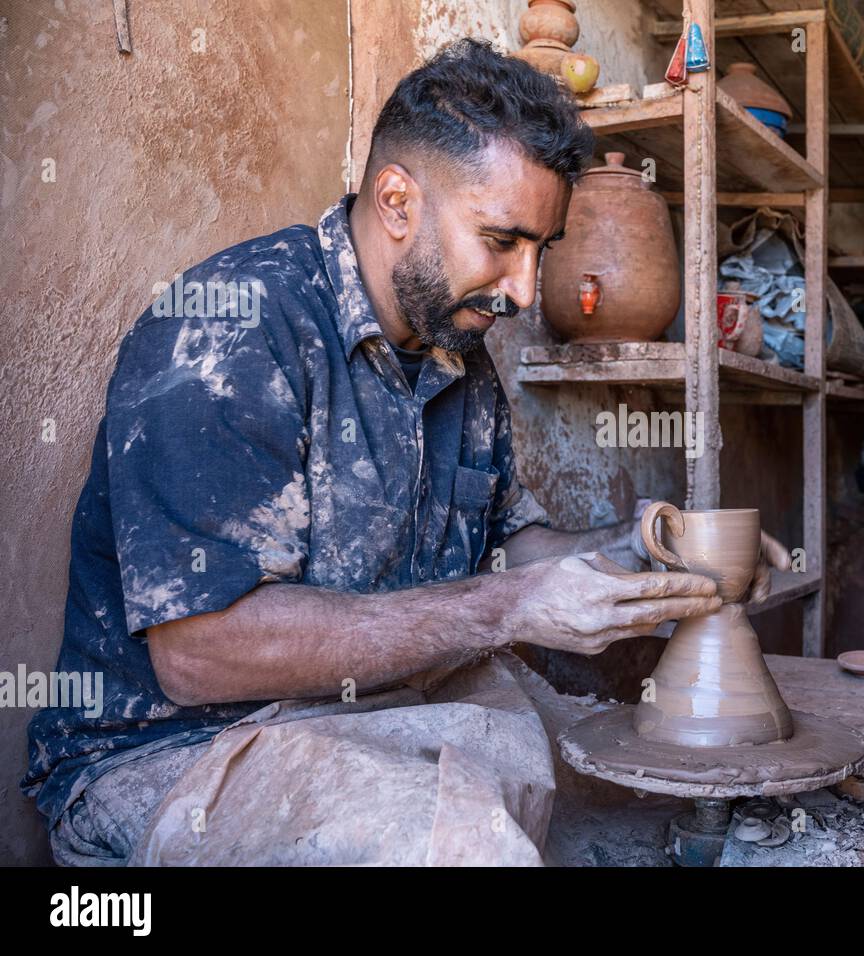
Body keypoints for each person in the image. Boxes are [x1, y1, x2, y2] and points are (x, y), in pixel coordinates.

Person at [23, 38, 788, 866]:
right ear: (396, 201)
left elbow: (512, 550)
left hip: (371, 711)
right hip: (176, 754)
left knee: (632, 782)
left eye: (543, 249)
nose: (525, 290)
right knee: (467, 847)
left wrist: (646, 552)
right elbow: (199, 654)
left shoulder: (456, 348)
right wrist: (508, 608)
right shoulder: (230, 327)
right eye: (502, 241)